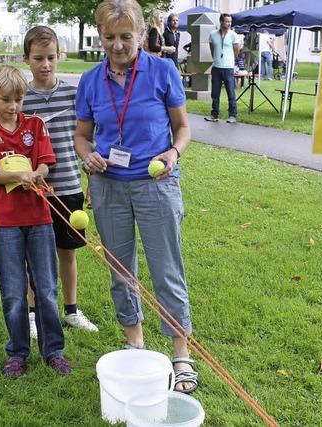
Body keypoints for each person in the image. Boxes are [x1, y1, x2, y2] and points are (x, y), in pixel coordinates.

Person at [74, 0, 198, 394]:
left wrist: (173, 152)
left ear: (142, 35)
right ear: (100, 37)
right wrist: (87, 154)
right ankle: (135, 344)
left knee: (167, 269)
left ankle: (181, 355)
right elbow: (82, 135)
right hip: (108, 185)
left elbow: (182, 128)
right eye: (109, 37)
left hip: (156, 184)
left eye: (126, 37)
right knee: (120, 271)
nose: (117, 45)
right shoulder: (91, 80)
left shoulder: (162, 71)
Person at [0, 65, 72, 378]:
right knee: (14, 292)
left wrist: (37, 174)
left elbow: (44, 165)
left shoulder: (36, 124)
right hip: (5, 224)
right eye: (5, 100)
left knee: (46, 289)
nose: (13, 106)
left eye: (18, 99)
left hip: (39, 219)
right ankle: (17, 353)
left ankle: (53, 351)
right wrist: (18, 175)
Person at [21, 25, 98, 335]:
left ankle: (71, 311)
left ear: (59, 56)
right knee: (32, 257)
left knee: (68, 253)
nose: (45, 65)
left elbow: (87, 139)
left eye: (51, 57)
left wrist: (91, 178)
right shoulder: (20, 98)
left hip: (68, 188)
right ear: (26, 58)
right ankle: (30, 312)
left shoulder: (73, 94)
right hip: (32, 191)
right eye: (38, 58)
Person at [205, 13, 240, 123]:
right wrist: (216, 58)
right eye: (227, 21)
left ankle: (232, 115)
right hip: (216, 67)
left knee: (231, 92)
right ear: (221, 22)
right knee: (215, 93)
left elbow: (237, 51)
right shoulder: (213, 34)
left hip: (228, 67)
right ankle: (214, 114)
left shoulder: (233, 35)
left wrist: (230, 61)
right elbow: (212, 49)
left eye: (230, 21)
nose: (229, 23)